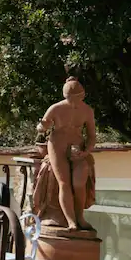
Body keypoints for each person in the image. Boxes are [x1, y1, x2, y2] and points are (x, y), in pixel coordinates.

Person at [33, 77, 98, 231]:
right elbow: (42, 127)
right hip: (57, 146)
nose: (73, 102)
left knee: (79, 183)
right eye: (70, 98)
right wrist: (42, 126)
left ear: (82, 96)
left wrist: (85, 152)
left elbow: (92, 135)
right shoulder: (56, 108)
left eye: (76, 98)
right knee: (64, 183)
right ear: (65, 96)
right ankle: (71, 221)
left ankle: (79, 217)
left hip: (78, 147)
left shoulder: (87, 111)